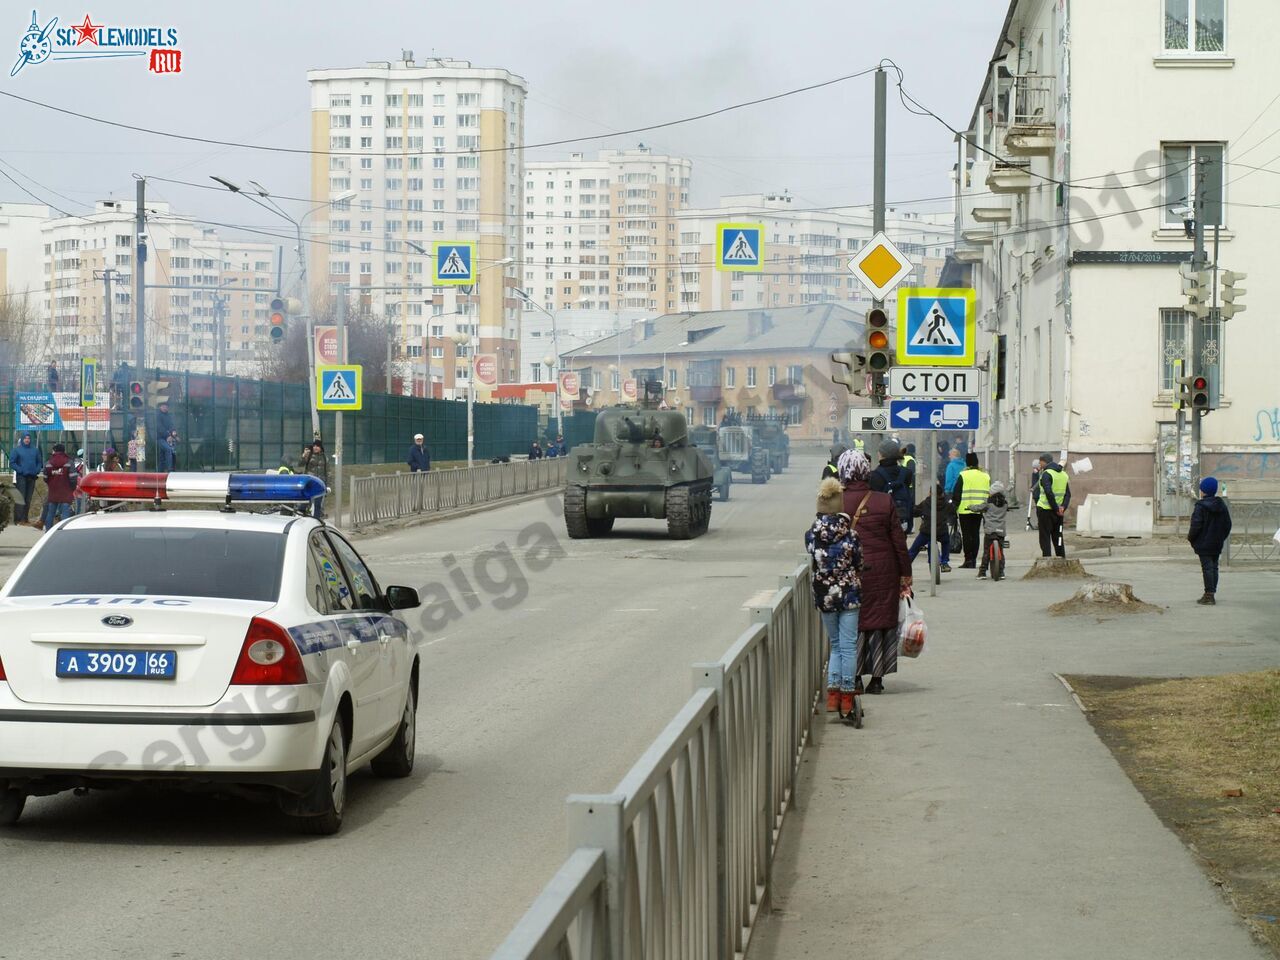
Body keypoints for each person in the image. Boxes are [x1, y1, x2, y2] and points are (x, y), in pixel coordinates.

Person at [838, 449, 912, 695]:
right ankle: (878, 679)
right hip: (884, 570)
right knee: (881, 622)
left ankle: (855, 677)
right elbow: (898, 542)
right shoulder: (883, 500)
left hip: (849, 573)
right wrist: (905, 575)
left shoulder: (835, 500)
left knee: (854, 623)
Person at [805, 476, 864, 720]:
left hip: (825, 596)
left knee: (836, 645)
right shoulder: (851, 535)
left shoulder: (811, 535)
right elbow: (858, 562)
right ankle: (848, 699)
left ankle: (832, 698)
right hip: (848, 595)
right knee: (849, 646)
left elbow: (813, 558)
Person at [1188, 477, 1232, 605]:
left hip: (1203, 543)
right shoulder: (1221, 505)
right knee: (1214, 567)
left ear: (1204, 491)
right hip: (1216, 542)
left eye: (1201, 489)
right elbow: (1227, 525)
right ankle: (1211, 593)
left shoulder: (1200, 506)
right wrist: (1220, 537)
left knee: (1207, 568)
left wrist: (1191, 538)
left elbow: (1196, 525)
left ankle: (1209, 596)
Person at [952, 452, 990, 569]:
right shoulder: (985, 476)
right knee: (975, 534)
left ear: (967, 463)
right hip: (980, 510)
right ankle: (973, 558)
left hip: (965, 509)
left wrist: (954, 507)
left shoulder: (963, 475)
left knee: (967, 535)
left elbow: (957, 493)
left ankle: (968, 559)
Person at [869, 438, 915, 533]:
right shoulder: (907, 473)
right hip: (901, 520)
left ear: (881, 454)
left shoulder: (874, 475)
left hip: (882, 523)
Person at [908, 482, 952, 573]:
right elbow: (952, 511)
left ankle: (906, 564)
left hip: (927, 532)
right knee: (946, 542)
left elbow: (915, 512)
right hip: (941, 532)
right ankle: (945, 561)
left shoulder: (926, 502)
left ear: (931, 493)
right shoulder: (946, 504)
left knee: (914, 549)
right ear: (942, 493)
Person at [972, 480, 1010, 580]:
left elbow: (978, 508)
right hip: (1001, 531)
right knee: (1001, 552)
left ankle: (982, 572)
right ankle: (1001, 572)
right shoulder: (1005, 504)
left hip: (990, 531)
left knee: (986, 552)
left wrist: (970, 507)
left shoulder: (988, 503)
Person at [1035, 452, 1071, 558]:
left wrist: (1055, 508)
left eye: (1040, 462)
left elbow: (1048, 492)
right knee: (1058, 536)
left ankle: (1047, 559)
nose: (1039, 465)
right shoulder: (1064, 474)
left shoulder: (1046, 474)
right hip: (1059, 513)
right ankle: (1062, 559)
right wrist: (1062, 508)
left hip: (1045, 510)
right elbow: (1068, 494)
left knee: (1045, 537)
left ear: (1043, 461)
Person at [8, 432, 43, 525]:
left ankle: (25, 518)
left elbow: (39, 462)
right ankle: (18, 519)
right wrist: (21, 470)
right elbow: (12, 463)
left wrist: (37, 470)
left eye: (28, 438)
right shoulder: (16, 450)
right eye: (25, 438)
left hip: (32, 477)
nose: (27, 440)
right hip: (21, 477)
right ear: (22, 439)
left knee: (28, 499)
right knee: (21, 498)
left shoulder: (35, 450)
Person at [39, 443, 75, 530]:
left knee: (50, 513)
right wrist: (72, 488)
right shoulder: (69, 462)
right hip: (66, 491)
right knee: (65, 514)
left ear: (54, 451)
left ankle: (48, 532)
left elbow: (45, 478)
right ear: (63, 451)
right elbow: (73, 478)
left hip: (53, 492)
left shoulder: (48, 463)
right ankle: (64, 532)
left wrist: (51, 484)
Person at [300, 440, 329, 520]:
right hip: (310, 482)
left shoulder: (324, 457)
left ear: (320, 447)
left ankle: (316, 519)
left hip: (320, 483)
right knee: (305, 501)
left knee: (318, 504)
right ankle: (301, 514)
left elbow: (327, 472)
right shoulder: (309, 455)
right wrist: (304, 455)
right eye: (314, 446)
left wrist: (327, 485)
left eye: (317, 446)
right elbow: (301, 464)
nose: (315, 448)